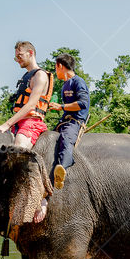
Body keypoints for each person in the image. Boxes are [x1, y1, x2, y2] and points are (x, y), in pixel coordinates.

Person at [0, 41, 52, 149]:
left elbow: (31, 105)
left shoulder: (40, 75)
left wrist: (6, 124)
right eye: (16, 58)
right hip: (18, 124)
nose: (18, 60)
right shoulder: (27, 77)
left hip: (31, 123)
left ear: (30, 53)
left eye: (20, 56)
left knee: (18, 150)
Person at [47, 52, 90, 189]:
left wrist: (61, 107)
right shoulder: (65, 85)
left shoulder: (79, 82)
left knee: (66, 139)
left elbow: (83, 103)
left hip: (75, 121)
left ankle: (62, 167)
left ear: (60, 66)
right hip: (63, 120)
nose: (55, 71)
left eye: (55, 67)